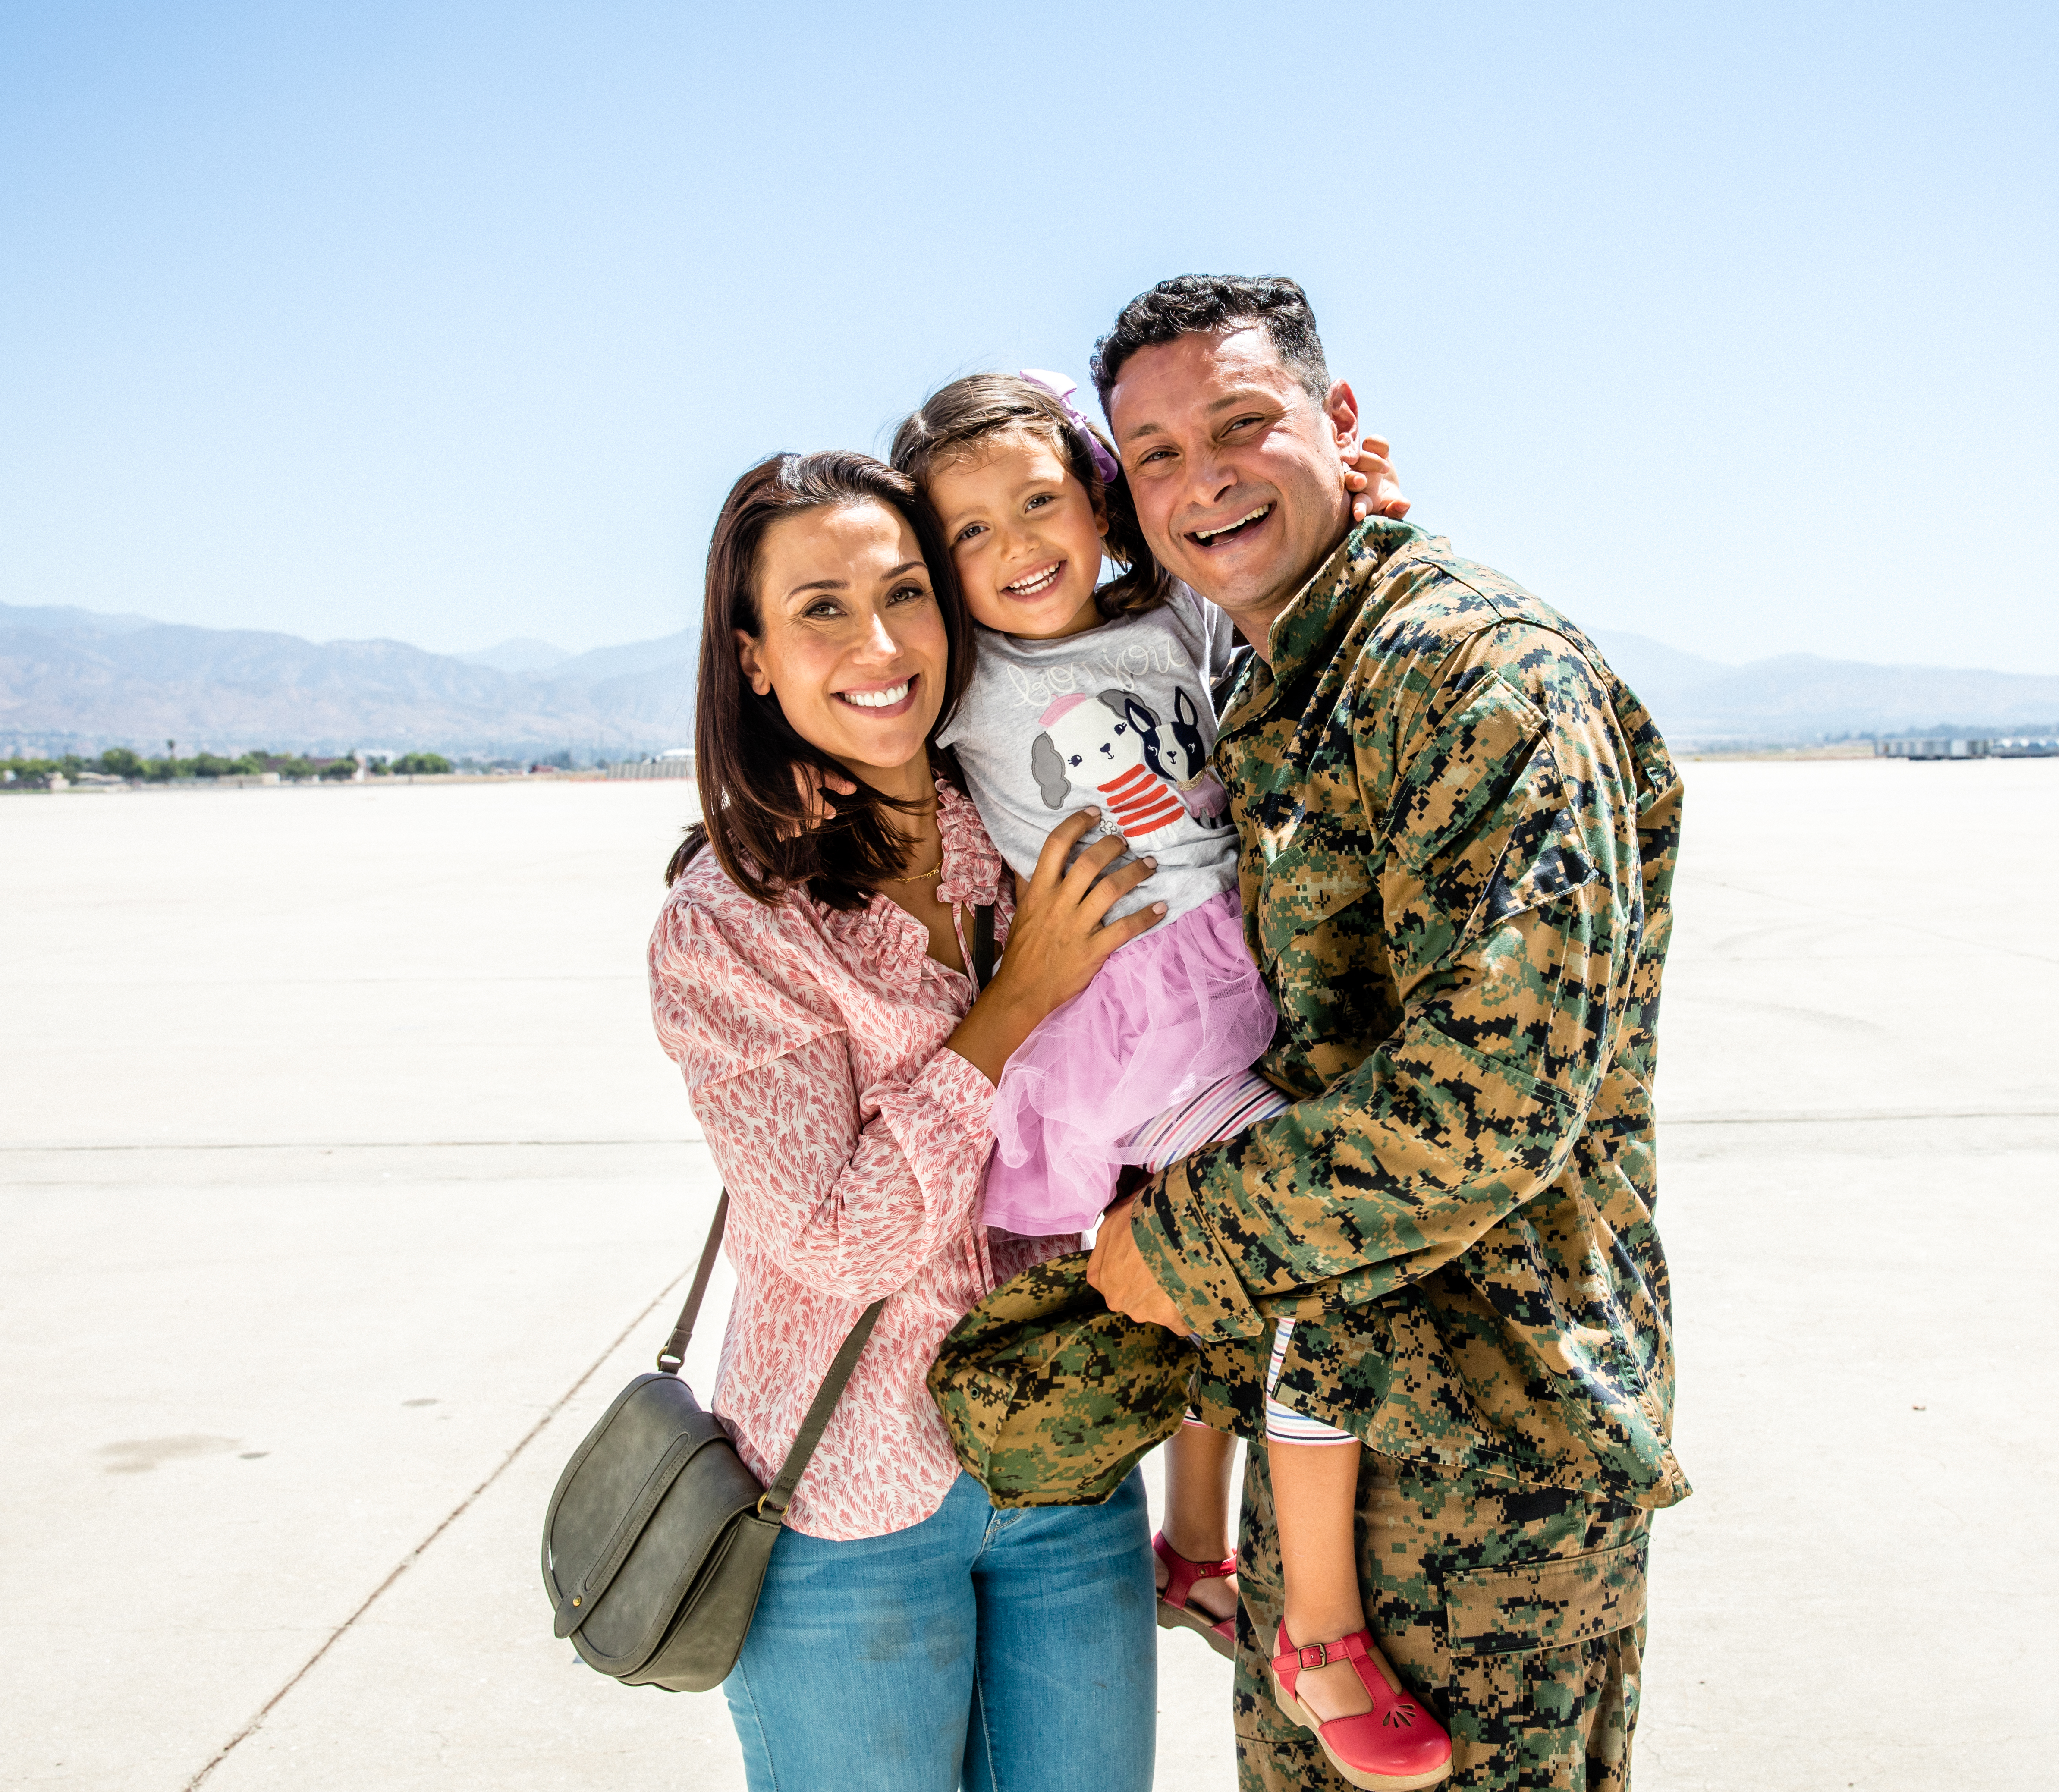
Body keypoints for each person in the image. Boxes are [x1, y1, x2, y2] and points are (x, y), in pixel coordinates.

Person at [1082, 277, 1687, 1792]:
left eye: (1240, 424)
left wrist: (1183, 1245)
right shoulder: (1282, 681)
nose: (1201, 477)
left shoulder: (1476, 677)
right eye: (1153, 455)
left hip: (1488, 1474)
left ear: (1340, 427)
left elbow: (1482, 1102)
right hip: (1338, 1454)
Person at [887, 373, 1452, 1792]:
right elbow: (856, 705)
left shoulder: (1170, 620)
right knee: (1319, 1260)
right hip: (1141, 1032)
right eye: (969, 533)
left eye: (1040, 500)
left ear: (1096, 496)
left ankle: (1196, 1543)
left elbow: (1269, 590)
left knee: (1224, 1283)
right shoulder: (968, 692)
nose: (1019, 545)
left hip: (1236, 984)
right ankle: (1316, 1626)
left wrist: (1364, 502)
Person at [645, 448, 1166, 1792]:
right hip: (847, 1504)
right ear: (752, 656)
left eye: (906, 593)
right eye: (821, 608)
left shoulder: (1018, 806)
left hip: (1064, 1457)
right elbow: (835, 1237)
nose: (879, 645)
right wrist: (1013, 1004)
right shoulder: (731, 920)